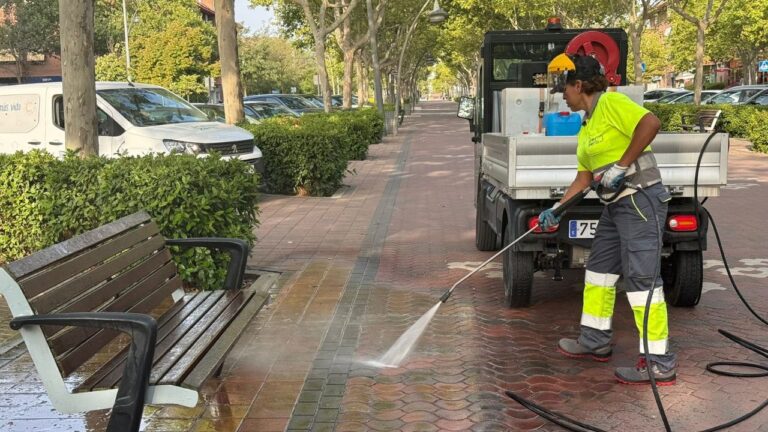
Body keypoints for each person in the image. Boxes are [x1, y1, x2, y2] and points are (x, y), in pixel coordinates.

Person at [538, 54, 677, 385]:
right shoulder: (587, 125)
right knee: (599, 272)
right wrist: (557, 209)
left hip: (640, 200)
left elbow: (650, 124)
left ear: (579, 85)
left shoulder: (611, 103)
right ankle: (595, 340)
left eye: (565, 89)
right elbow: (583, 178)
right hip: (615, 207)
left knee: (642, 282)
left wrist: (621, 166)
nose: (563, 96)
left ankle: (659, 362)